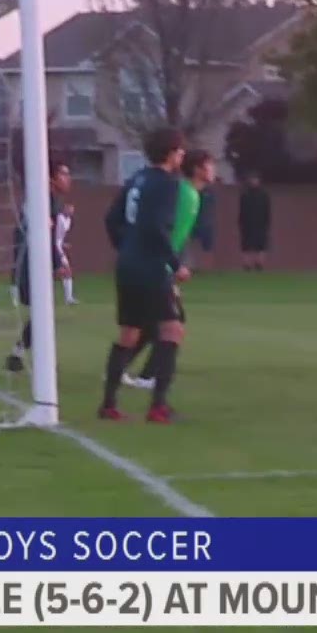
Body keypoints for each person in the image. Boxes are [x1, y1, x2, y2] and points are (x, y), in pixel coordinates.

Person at [99, 129, 189, 423]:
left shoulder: (136, 179)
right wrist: (176, 265)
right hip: (150, 266)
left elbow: (111, 219)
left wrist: (125, 247)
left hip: (127, 264)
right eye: (180, 150)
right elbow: (155, 228)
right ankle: (158, 406)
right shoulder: (167, 184)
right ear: (171, 152)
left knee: (130, 332)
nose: (183, 155)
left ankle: (108, 404)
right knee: (172, 329)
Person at [126, 150, 216, 392]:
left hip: (158, 263)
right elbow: (164, 231)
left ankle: (122, 368)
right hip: (157, 265)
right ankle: (148, 377)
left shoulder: (192, 194)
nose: (213, 169)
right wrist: (170, 268)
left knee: (152, 322)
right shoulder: (185, 194)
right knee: (173, 321)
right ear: (198, 169)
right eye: (210, 165)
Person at [6, 163, 71, 373]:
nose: (68, 179)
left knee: (42, 313)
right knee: (43, 313)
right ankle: (41, 361)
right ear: (51, 178)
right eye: (64, 174)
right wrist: (57, 262)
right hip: (28, 266)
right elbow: (40, 235)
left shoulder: (45, 200)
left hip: (29, 264)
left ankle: (18, 355)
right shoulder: (43, 201)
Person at [239, 173, 273, 272]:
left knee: (261, 245)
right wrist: (241, 223)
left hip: (261, 224)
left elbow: (267, 210)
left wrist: (267, 223)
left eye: (256, 179)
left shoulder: (264, 195)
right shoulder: (245, 195)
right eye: (252, 179)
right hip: (247, 224)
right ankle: (246, 264)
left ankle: (259, 263)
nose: (254, 181)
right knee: (246, 245)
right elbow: (242, 211)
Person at [57, 203, 78, 306]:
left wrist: (63, 244)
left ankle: (68, 298)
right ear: (64, 209)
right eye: (69, 209)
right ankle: (68, 298)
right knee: (65, 271)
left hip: (59, 246)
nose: (71, 212)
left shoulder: (68, 220)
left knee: (67, 271)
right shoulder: (58, 218)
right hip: (55, 247)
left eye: (72, 210)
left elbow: (61, 235)